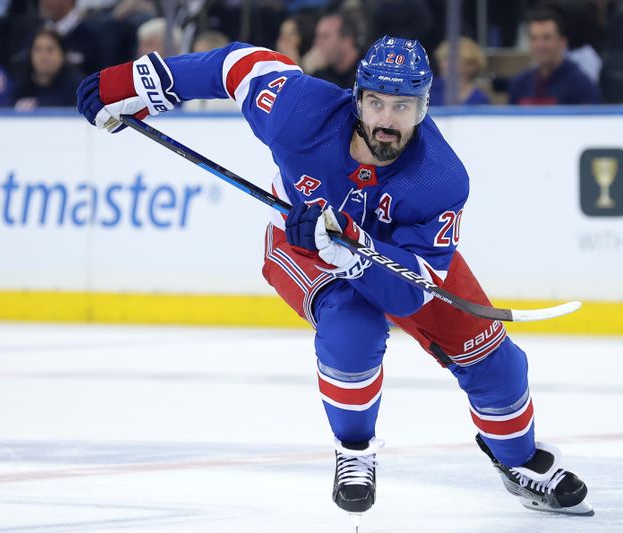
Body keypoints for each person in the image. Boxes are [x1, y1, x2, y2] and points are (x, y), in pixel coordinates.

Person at [75, 35, 594, 521]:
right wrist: (136, 84)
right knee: (353, 327)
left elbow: (413, 291)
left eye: (403, 107)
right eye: (377, 104)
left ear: (424, 108)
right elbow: (234, 66)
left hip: (402, 262)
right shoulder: (298, 111)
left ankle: (520, 461)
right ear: (357, 99)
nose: (388, 121)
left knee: (494, 361)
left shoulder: (441, 178)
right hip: (301, 247)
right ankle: (355, 450)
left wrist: (357, 249)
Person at [508, 8, 600, 105]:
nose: (540, 45)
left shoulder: (581, 86)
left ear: (562, 42)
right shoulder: (519, 84)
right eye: (534, 38)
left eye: (546, 38)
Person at [13, 28, 82, 109]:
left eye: (50, 50)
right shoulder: (21, 83)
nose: (43, 56)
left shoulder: (77, 88)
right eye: (38, 49)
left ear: (62, 54)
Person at [306, 10, 361, 88]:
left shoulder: (367, 71)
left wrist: (317, 72)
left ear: (347, 40)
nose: (316, 42)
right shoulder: (326, 68)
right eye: (317, 36)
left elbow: (346, 97)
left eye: (325, 37)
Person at [430, 37, 490, 106]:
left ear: (470, 66)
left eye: (450, 60)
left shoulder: (480, 99)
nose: (443, 64)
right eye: (443, 60)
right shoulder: (430, 89)